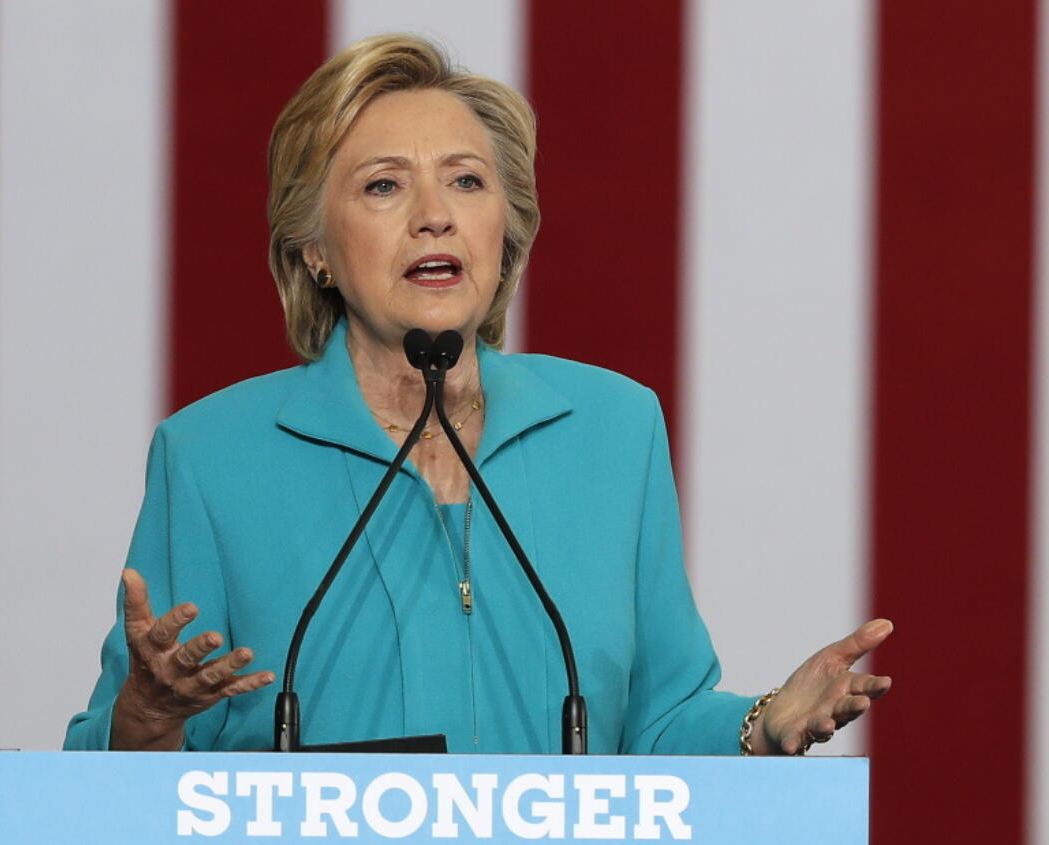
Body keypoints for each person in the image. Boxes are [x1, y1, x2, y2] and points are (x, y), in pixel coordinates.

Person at [65, 34, 891, 757]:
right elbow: (113, 778)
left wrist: (764, 724)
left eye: (465, 181)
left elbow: (657, 724)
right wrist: (148, 714)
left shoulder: (612, 430)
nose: (435, 217)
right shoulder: (215, 458)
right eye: (384, 186)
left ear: (508, 227)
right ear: (314, 246)